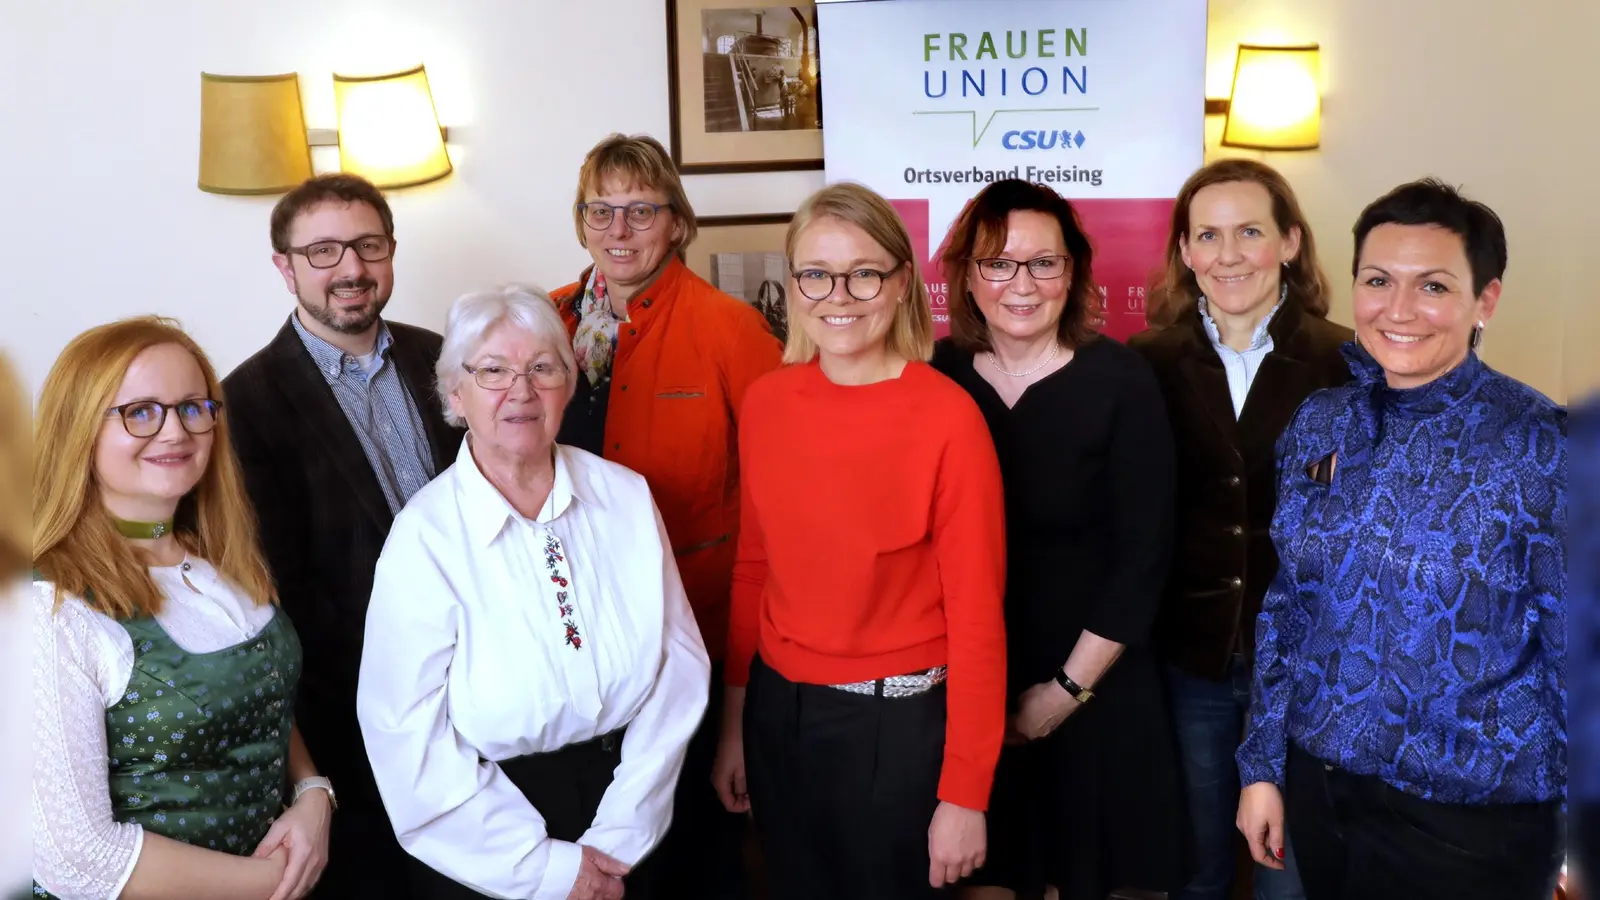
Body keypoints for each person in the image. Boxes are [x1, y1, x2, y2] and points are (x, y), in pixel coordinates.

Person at [1236, 178, 1567, 899]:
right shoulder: (1323, 423)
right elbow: (1287, 605)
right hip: (1321, 788)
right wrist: (1261, 767)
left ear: (1486, 300)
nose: (1399, 309)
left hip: (1475, 819)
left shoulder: (1543, 445)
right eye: (1378, 280)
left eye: (1434, 286)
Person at [356, 285, 712, 900]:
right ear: (455, 395)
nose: (520, 390)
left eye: (542, 368)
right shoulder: (425, 536)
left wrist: (623, 832)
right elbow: (403, 730)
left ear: (568, 383)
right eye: (492, 370)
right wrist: (544, 868)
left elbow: (679, 664)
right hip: (492, 833)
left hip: (640, 804)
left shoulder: (625, 495)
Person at [712, 182, 1009, 900]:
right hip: (778, 713)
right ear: (793, 284)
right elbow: (753, 568)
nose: (837, 295)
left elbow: (977, 620)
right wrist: (733, 724)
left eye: (863, 272)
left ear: (901, 282)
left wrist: (966, 795)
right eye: (816, 273)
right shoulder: (766, 402)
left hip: (896, 724)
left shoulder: (950, 417)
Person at [928, 178, 1181, 900]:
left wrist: (1065, 691)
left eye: (1044, 263)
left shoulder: (1122, 380)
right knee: (987, 878)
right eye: (997, 263)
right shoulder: (935, 376)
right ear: (967, 279)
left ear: (1073, 275)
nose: (1021, 284)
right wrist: (978, 703)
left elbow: (1144, 556)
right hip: (967, 689)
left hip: (1098, 684)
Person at [550, 132, 782, 897]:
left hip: (693, 644)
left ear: (678, 223)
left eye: (641, 211)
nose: (619, 231)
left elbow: (776, 507)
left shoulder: (730, 330)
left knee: (692, 853)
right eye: (601, 211)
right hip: (573, 648)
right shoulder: (543, 325)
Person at [31, 317, 331, 900]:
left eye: (194, 407)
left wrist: (314, 790)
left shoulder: (218, 561)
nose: (175, 431)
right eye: (140, 411)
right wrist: (273, 882)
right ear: (78, 430)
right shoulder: (52, 606)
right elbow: (75, 858)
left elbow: (259, 695)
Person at [223, 173, 464, 898]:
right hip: (355, 720)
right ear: (284, 267)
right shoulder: (245, 403)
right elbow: (276, 585)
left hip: (483, 692)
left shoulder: (447, 361)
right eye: (323, 251)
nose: (351, 269)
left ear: (390, 251)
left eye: (367, 245)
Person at [1128, 158, 1352, 900]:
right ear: (1185, 252)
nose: (1228, 255)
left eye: (1249, 232)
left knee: (1286, 875)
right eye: (1208, 236)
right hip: (1192, 658)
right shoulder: (1146, 363)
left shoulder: (1349, 361)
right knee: (1196, 865)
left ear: (1289, 241)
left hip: (1314, 668)